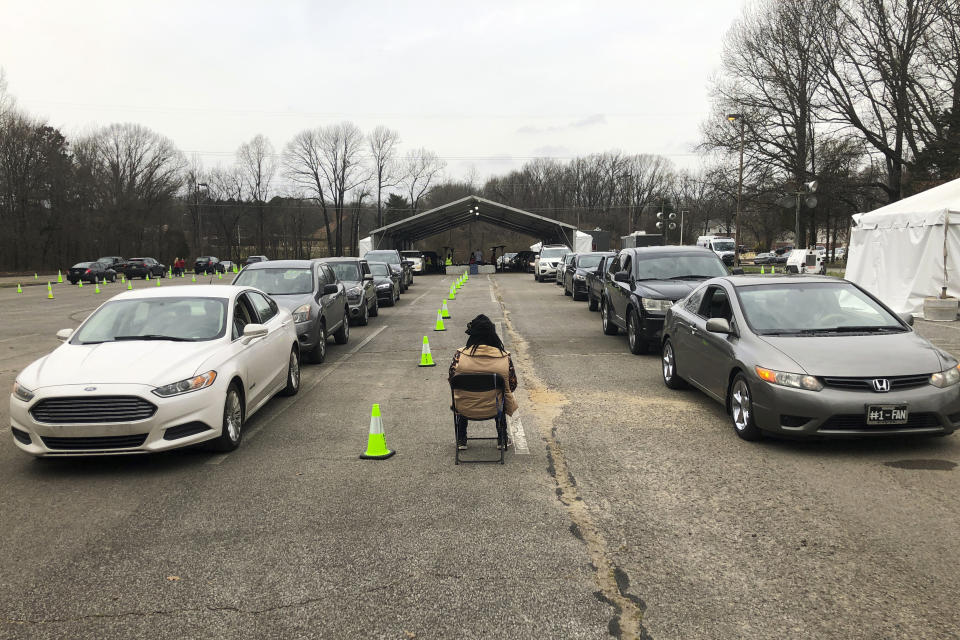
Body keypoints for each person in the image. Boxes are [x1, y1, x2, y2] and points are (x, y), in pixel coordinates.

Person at [448, 314, 518, 450]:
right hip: (494, 408)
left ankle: (462, 439)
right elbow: (512, 385)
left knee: (463, 393)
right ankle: (502, 438)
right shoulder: (504, 357)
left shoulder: (459, 355)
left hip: (465, 408)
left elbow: (452, 381)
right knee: (502, 394)